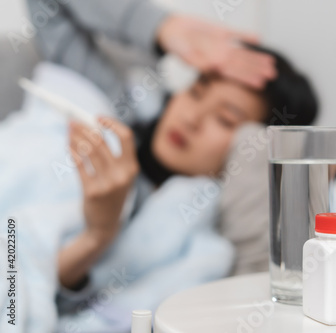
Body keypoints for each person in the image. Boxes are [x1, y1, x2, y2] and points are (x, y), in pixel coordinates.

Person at [24, 0, 319, 325]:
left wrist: (99, 234)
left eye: (224, 119)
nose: (191, 117)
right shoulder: (118, 111)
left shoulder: (196, 249)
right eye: (196, 91)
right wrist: (162, 28)